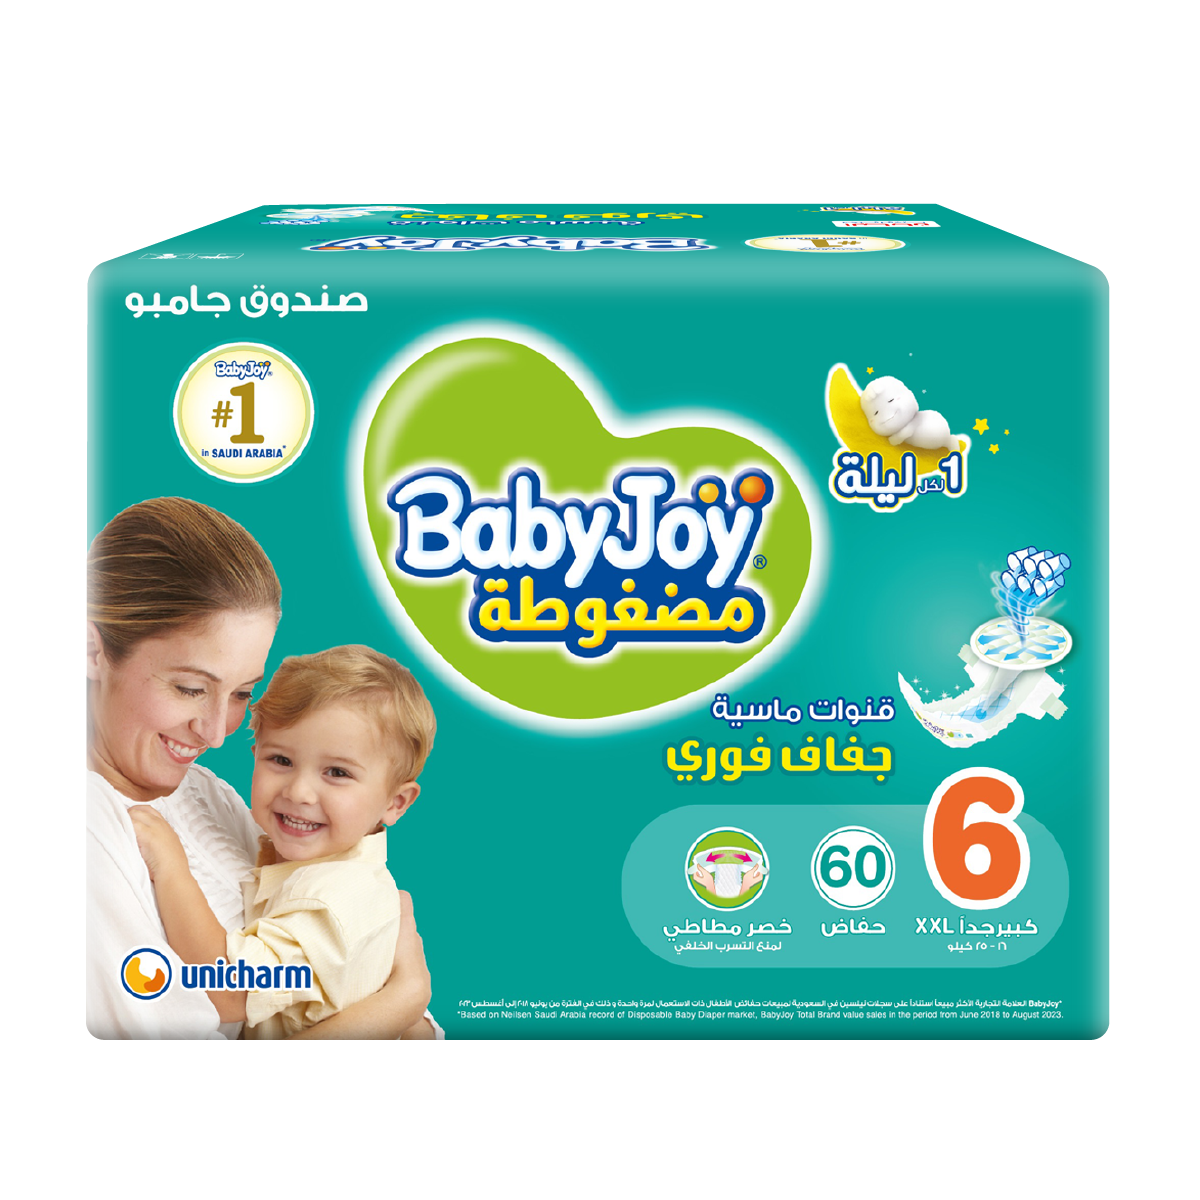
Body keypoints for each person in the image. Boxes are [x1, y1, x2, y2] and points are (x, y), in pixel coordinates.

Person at [87, 496, 435, 1039]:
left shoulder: (208, 794)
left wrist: (406, 1009)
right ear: (91, 651)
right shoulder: (89, 825)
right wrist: (403, 999)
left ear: (397, 802)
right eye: (190, 688)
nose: (215, 734)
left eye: (242, 693)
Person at [129, 645, 436, 1039]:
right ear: (255, 754)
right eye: (281, 760)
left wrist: (173, 870)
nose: (299, 792)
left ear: (396, 803)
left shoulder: (334, 898)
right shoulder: (305, 863)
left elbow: (232, 990)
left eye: (337, 772)